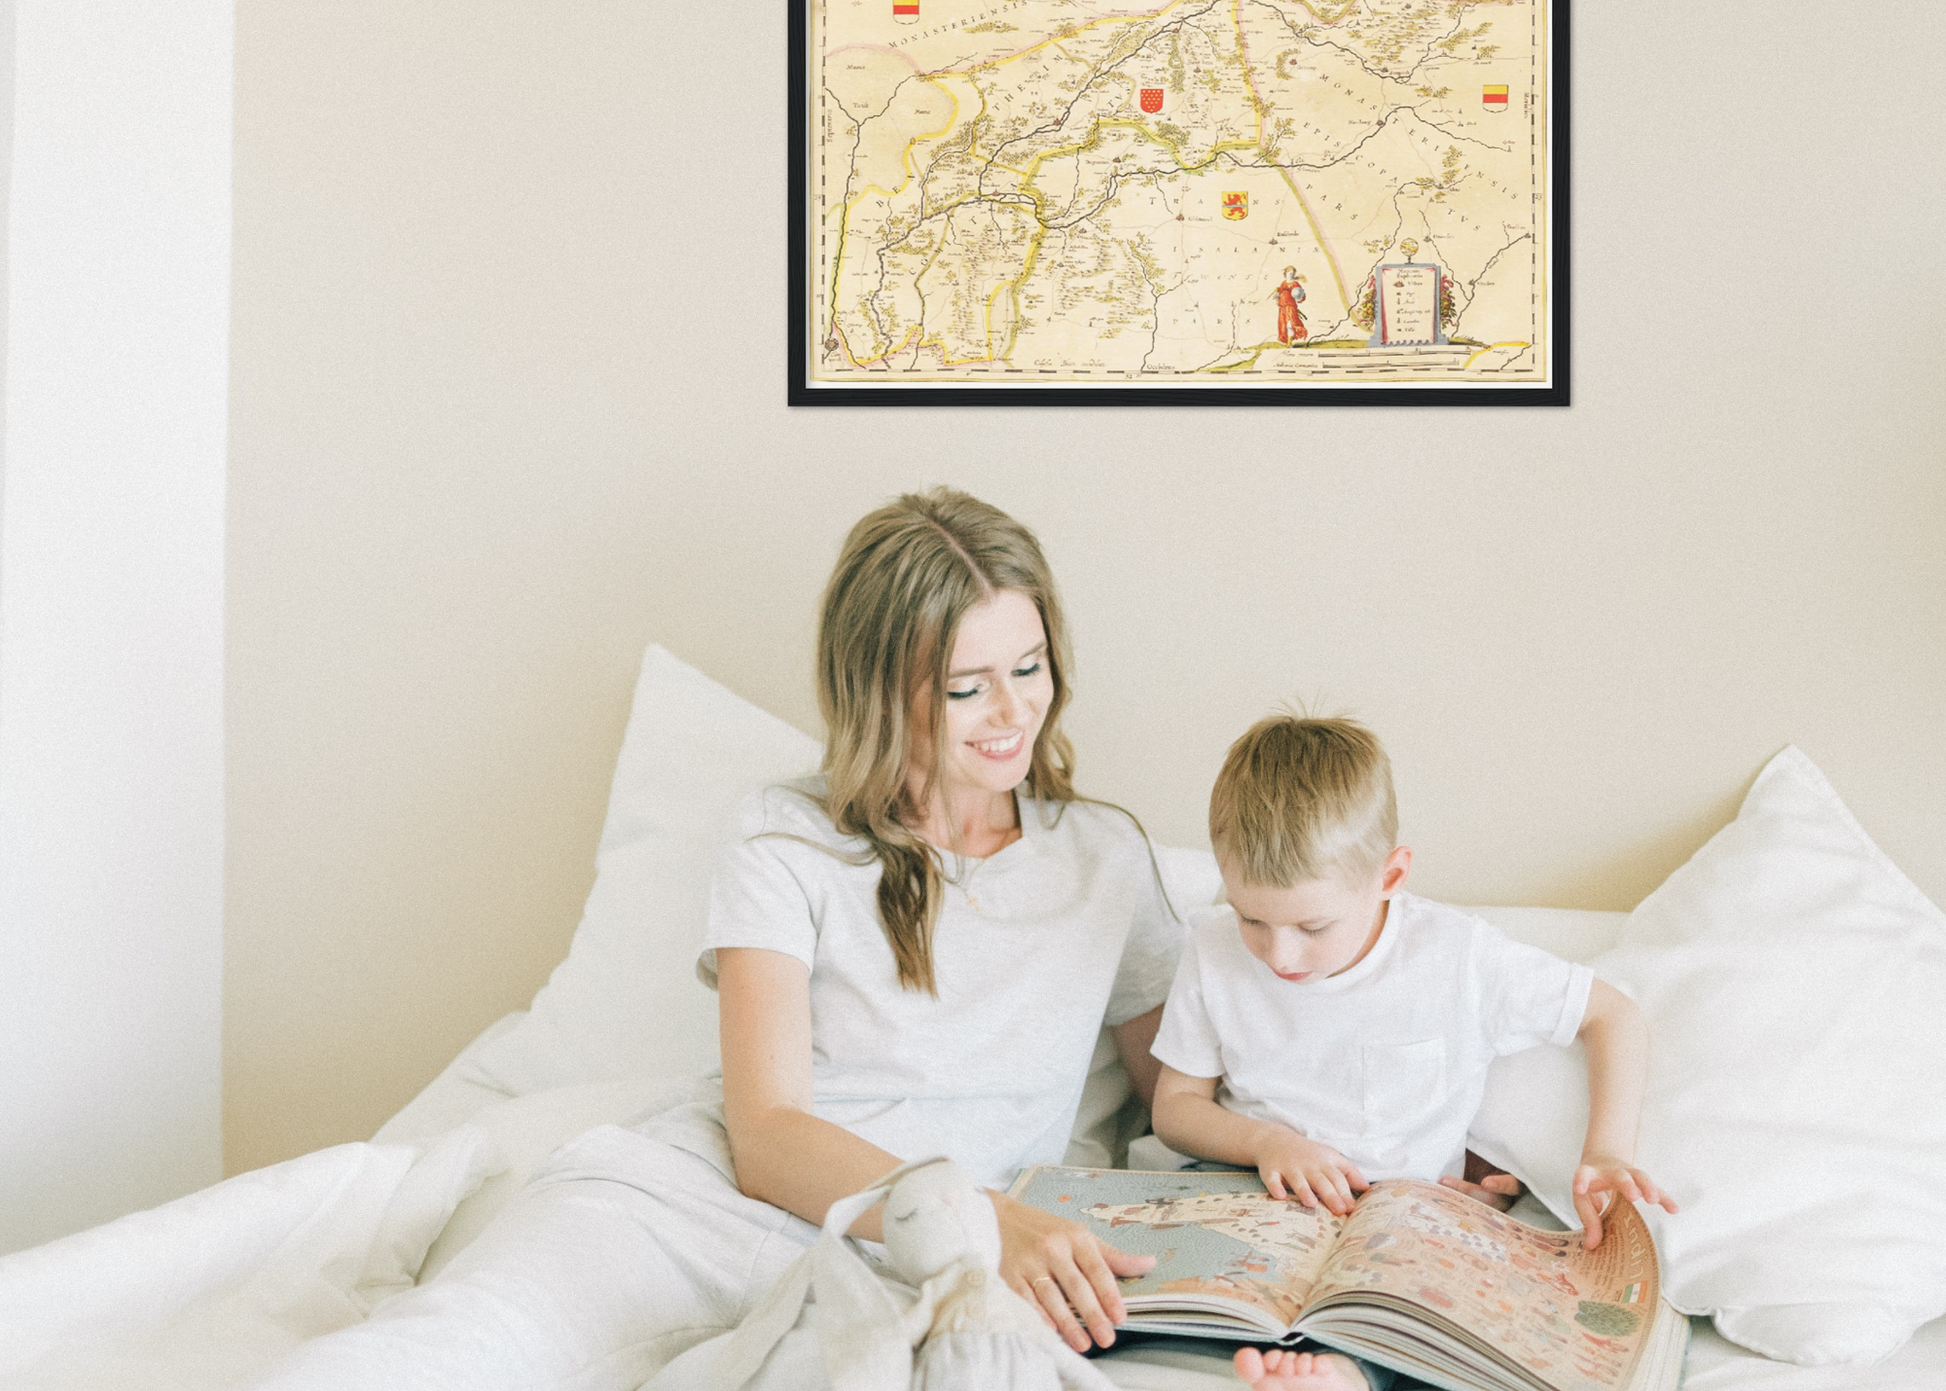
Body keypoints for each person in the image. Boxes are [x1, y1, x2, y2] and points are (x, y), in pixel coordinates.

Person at [249, 489, 1182, 1389]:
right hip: (691, 1217)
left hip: (922, 1270)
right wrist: (982, 1217)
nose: (1015, 711)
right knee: (437, 1353)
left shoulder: (1105, 861)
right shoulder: (785, 836)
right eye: (966, 688)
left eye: (1030, 668)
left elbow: (1179, 1097)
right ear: (879, 695)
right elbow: (766, 1136)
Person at [1148, 716, 1677, 1389]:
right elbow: (1175, 1107)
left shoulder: (1457, 958)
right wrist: (1267, 1144)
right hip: (1250, 1194)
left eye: (1312, 926)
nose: (1279, 954)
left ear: (1390, 875)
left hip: (1396, 1225)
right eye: (1251, 918)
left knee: (1407, 1309)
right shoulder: (1213, 951)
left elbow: (1612, 1015)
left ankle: (1342, 1372)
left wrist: (1606, 1151)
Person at [1274, 270, 1307, 346]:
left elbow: (1300, 294)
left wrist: (1300, 298)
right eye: (1289, 273)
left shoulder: (1295, 284)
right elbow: (1279, 293)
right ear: (1285, 274)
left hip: (1290, 307)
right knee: (1283, 325)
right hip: (1282, 308)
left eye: (1292, 273)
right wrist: (1277, 293)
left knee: (1290, 324)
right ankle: (1288, 341)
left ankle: (1290, 341)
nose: (1290, 275)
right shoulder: (1283, 283)